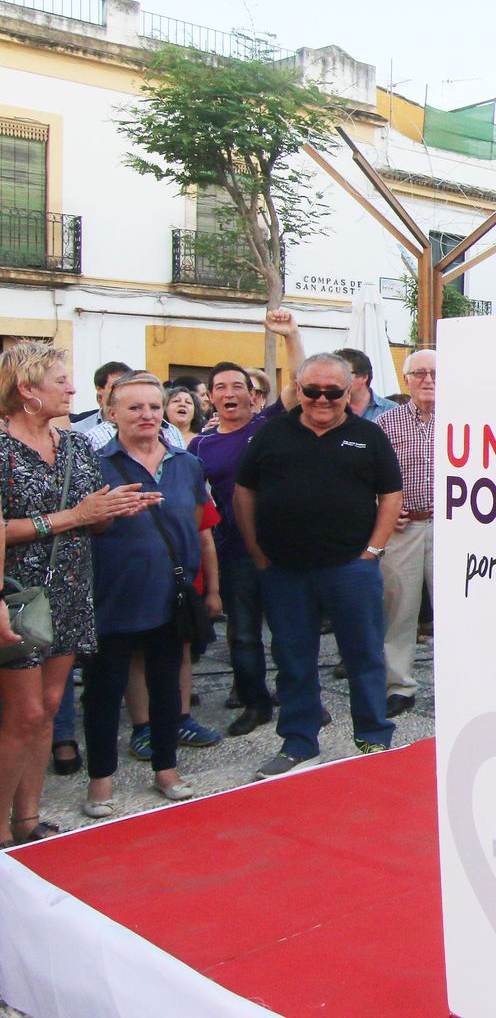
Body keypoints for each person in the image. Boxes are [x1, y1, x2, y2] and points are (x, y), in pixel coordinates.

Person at [0, 343, 156, 845]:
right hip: (15, 597)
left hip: (68, 591)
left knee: (47, 706)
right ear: (26, 390)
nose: (72, 388)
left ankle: (26, 821)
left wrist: (113, 509)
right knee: (21, 714)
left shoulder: (76, 447)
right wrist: (75, 517)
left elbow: (94, 522)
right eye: (61, 380)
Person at [235, 353, 402, 779]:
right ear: (298, 387)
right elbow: (244, 492)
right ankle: (299, 742)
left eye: (333, 392)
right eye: (312, 391)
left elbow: (391, 495)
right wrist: (258, 553)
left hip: (351, 568)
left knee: (364, 656)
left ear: (350, 391)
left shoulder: (369, 436)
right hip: (285, 571)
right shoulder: (272, 433)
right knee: (292, 658)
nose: (322, 400)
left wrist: (373, 553)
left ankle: (372, 739)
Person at [81, 372, 216, 818]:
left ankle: (166, 770)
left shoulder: (186, 463)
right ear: (112, 413)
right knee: (104, 693)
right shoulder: (93, 462)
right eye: (135, 407)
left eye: (154, 407)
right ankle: (101, 782)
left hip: (169, 595)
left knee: (166, 690)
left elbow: (194, 525)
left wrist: (200, 584)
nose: (147, 415)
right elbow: (86, 527)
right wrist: (109, 513)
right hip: (112, 597)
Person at [187, 311, 305, 737]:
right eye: (221, 387)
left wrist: (291, 335)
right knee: (243, 637)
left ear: (252, 395)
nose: (230, 392)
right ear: (210, 399)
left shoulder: (270, 426)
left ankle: (299, 700)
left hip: (280, 550)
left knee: (290, 634)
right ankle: (254, 704)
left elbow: (299, 384)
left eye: (239, 385)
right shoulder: (198, 444)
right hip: (232, 554)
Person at [375, 349, 436, 718]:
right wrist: (379, 511)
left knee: (458, 610)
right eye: (420, 373)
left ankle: (458, 682)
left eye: (435, 373)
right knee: (400, 608)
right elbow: (369, 477)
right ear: (407, 379)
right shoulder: (385, 424)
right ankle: (399, 684)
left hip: (455, 526)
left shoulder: (465, 419)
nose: (428, 380)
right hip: (405, 526)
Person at [333, 348, 396, 421]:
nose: (337, 379)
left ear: (364, 377)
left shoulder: (390, 410)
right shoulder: (330, 408)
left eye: (344, 373)